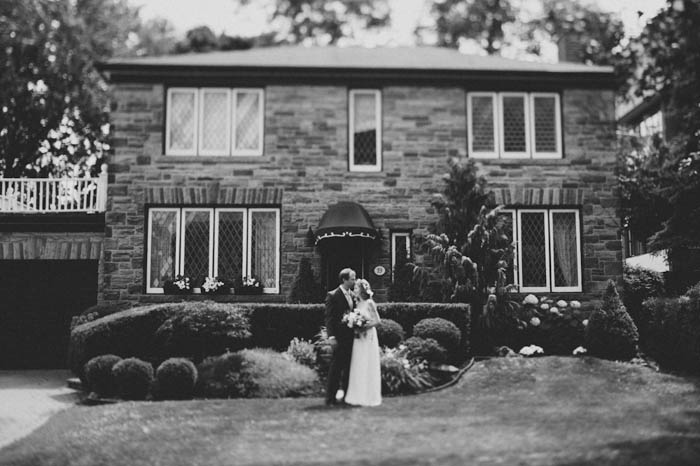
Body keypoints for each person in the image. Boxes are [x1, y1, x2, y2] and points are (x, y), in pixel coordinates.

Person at [344, 278, 382, 407]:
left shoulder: (369, 303)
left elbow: (377, 321)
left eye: (356, 288)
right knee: (358, 363)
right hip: (358, 337)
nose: (354, 290)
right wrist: (354, 324)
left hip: (368, 336)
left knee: (367, 362)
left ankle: (369, 396)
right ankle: (357, 395)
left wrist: (364, 327)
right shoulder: (357, 304)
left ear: (362, 289)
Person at [324, 268, 356, 406]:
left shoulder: (353, 295)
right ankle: (330, 398)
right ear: (344, 280)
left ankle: (346, 397)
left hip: (351, 337)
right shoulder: (333, 295)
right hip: (339, 337)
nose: (354, 281)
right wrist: (331, 337)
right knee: (336, 368)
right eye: (352, 278)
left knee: (349, 368)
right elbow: (329, 318)